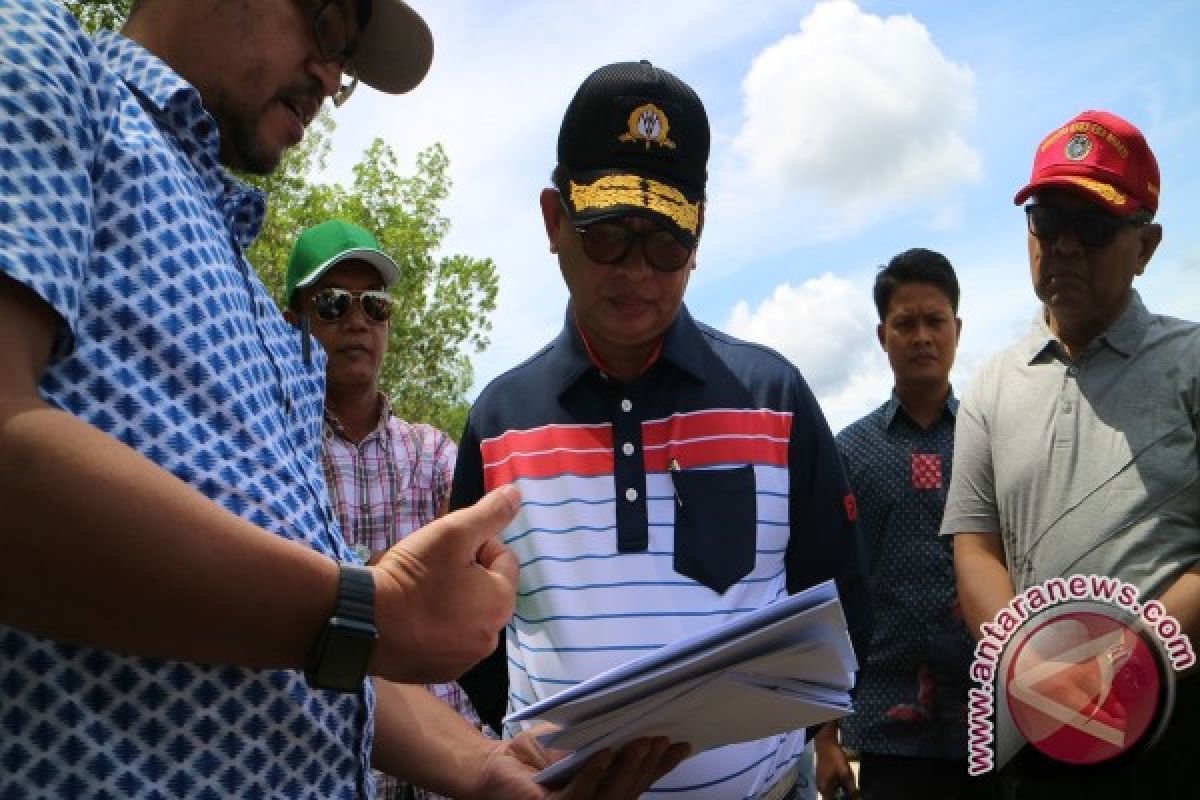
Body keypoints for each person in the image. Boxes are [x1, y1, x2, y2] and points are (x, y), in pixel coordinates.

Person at [0, 2, 686, 798]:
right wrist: (363, 608)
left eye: (348, 59)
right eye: (328, 24)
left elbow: (313, 651)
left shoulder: (257, 309)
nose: (330, 77)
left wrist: (485, 767)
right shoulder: (41, 55)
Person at [451, 59, 871, 800]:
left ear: (699, 234)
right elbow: (473, 641)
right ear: (555, 222)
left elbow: (841, 615)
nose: (638, 270)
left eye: (667, 240)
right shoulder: (497, 422)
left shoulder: (774, 398)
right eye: (610, 233)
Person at [941, 109, 1200, 797]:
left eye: (1091, 226)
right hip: (1037, 739)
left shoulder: (1193, 365)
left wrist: (1126, 654)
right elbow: (976, 550)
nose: (1064, 247)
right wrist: (1031, 666)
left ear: (1146, 246)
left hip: (1176, 737)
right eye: (1048, 222)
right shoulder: (991, 386)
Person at [282, 219, 484, 800]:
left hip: (447, 767)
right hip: (324, 766)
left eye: (374, 305)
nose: (356, 321)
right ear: (290, 320)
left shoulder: (434, 454)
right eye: (332, 303)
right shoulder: (272, 452)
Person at [815, 249, 986, 799]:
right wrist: (823, 737)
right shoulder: (849, 453)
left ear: (957, 329)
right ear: (881, 335)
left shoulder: (992, 441)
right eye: (904, 323)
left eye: (935, 321)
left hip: (989, 722)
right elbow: (826, 590)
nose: (921, 337)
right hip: (888, 730)